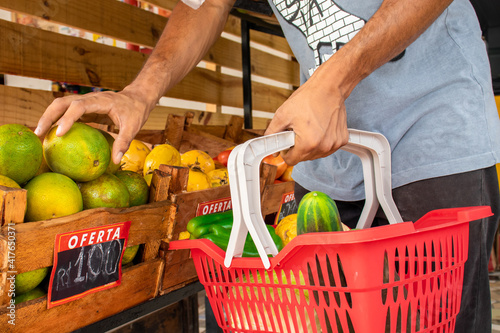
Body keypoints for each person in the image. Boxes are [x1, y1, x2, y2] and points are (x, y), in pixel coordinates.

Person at [34, 0, 500, 331]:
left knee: (433, 315)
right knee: (321, 318)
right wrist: (140, 91)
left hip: (431, 126)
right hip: (323, 151)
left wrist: (335, 82)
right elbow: (206, 4)